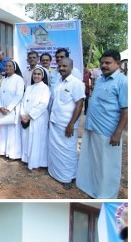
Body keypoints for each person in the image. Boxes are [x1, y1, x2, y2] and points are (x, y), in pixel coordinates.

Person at [76, 50, 128, 199]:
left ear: (117, 64)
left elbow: (125, 109)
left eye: (108, 63)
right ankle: (91, 187)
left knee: (108, 165)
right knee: (92, 161)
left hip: (108, 131)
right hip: (92, 127)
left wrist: (118, 133)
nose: (104, 65)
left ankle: (106, 194)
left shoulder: (122, 81)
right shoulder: (100, 79)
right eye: (102, 62)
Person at [47, 57, 85, 190]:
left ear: (71, 67)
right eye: (60, 66)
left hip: (67, 125)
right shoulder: (58, 82)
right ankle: (56, 174)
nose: (62, 68)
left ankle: (68, 177)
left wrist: (71, 124)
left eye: (65, 66)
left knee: (68, 152)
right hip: (55, 121)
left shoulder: (77, 83)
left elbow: (79, 105)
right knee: (55, 150)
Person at [20, 66, 50, 170]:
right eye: (34, 74)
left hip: (38, 118)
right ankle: (27, 159)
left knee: (37, 140)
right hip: (26, 117)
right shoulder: (29, 87)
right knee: (27, 138)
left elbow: (43, 104)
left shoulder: (45, 88)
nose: (36, 76)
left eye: (38, 74)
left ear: (42, 76)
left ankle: (37, 163)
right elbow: (23, 102)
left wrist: (29, 116)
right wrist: (23, 114)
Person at [0, 60, 24, 160]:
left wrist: (8, 108)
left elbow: (19, 95)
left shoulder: (19, 79)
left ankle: (13, 154)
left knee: (13, 132)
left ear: (15, 68)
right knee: (4, 130)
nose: (7, 68)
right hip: (3, 109)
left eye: (10, 66)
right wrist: (0, 107)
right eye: (6, 66)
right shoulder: (4, 80)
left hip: (13, 109)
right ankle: (4, 151)